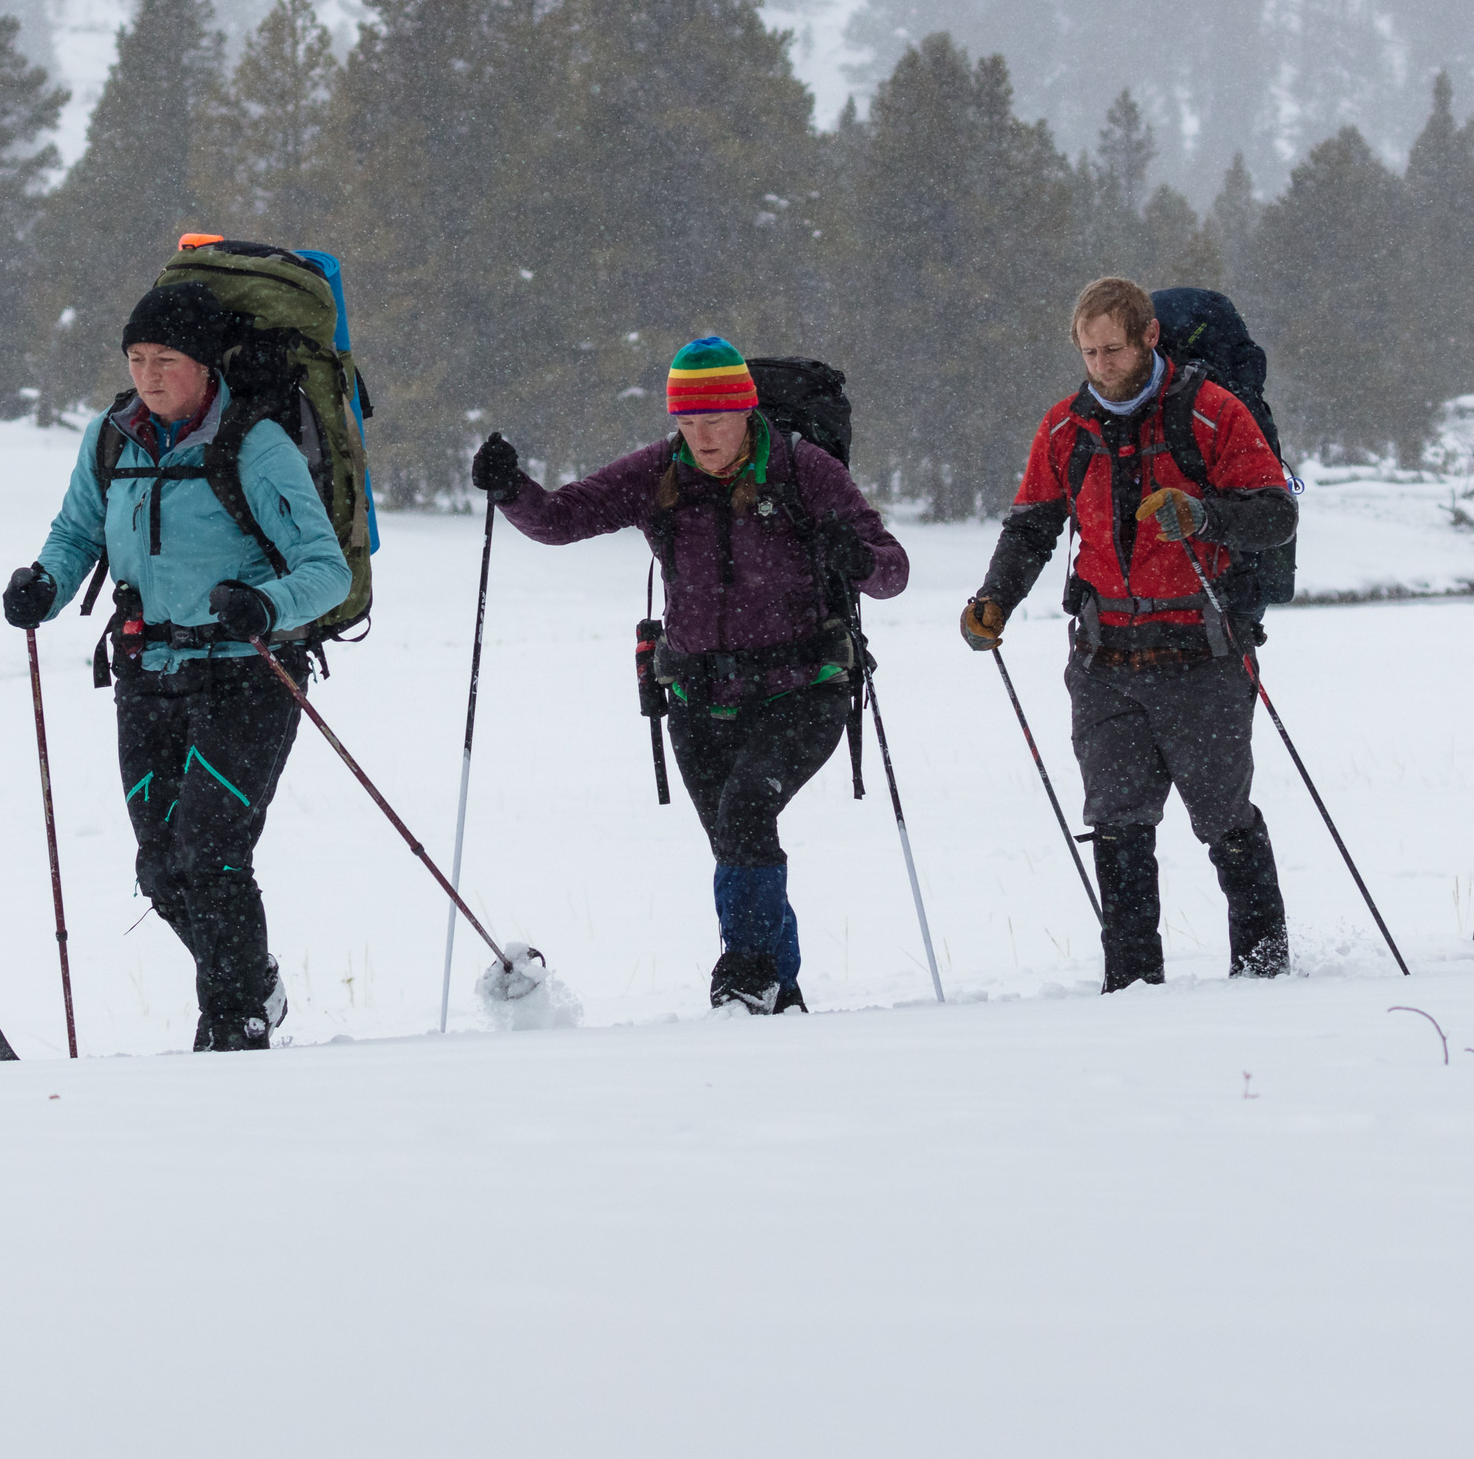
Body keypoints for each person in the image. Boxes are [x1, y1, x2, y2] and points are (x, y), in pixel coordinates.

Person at [468, 336, 908, 1014]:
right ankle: (776, 996)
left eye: (716, 419)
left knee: (744, 812)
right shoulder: (660, 472)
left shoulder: (801, 469)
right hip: (698, 700)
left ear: (746, 410)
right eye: (688, 420)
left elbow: (892, 569)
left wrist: (854, 556)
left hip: (803, 689)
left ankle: (744, 977)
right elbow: (561, 519)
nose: (701, 435)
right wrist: (510, 489)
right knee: (737, 840)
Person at [2, 276, 352, 1050]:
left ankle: (233, 1021)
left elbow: (328, 569)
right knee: (161, 867)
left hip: (249, 671)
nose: (148, 374)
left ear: (204, 366)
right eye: (135, 357)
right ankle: (254, 981)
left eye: (166, 358)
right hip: (146, 671)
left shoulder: (255, 444)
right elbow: (74, 534)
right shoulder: (110, 436)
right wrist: (44, 585)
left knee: (211, 847)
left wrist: (265, 604)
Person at [957, 276, 1297, 990]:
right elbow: (1030, 527)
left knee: (1224, 819)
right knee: (1116, 823)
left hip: (1202, 653)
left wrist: (1203, 516)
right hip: (1103, 657)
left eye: (1113, 347)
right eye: (1088, 351)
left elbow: (1274, 513)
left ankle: (1265, 974)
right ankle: (1131, 985)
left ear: (1148, 337)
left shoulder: (1210, 413)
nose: (1101, 365)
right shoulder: (1062, 428)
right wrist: (994, 599)